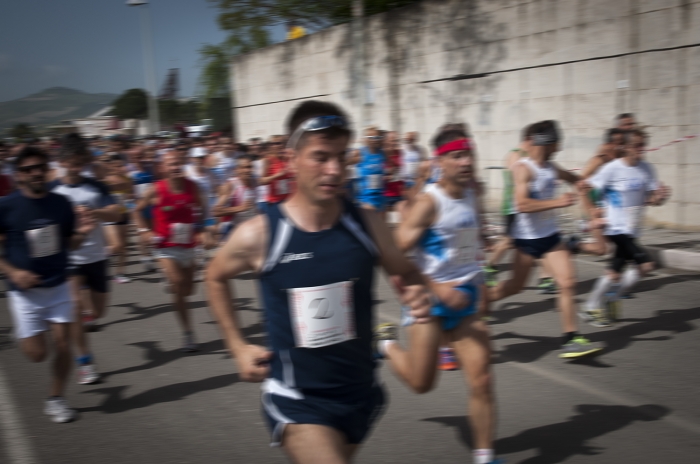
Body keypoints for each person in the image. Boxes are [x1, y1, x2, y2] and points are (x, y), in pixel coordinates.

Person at [206, 100, 432, 464]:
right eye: (321, 157)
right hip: (297, 399)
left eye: (342, 157)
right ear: (290, 157)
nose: (334, 170)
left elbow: (406, 271)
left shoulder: (367, 224)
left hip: (362, 392)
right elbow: (214, 276)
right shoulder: (261, 234)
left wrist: (417, 291)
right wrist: (236, 345)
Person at [374, 128, 501, 464]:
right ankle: (385, 344)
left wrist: (481, 274)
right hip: (429, 302)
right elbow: (393, 252)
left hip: (467, 298)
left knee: (483, 377)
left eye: (469, 154)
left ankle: (485, 457)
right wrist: (436, 287)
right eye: (457, 156)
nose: (466, 162)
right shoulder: (428, 204)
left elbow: (472, 238)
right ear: (440, 162)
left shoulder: (474, 191)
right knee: (421, 383)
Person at [487, 120, 603, 359]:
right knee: (515, 286)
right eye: (557, 142)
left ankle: (570, 339)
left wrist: (580, 182)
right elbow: (522, 204)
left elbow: (569, 176)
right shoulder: (523, 168)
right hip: (527, 240)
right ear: (546, 143)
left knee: (568, 282)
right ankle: (481, 302)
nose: (559, 146)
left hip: (550, 237)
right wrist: (558, 202)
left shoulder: (551, 167)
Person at [0, 146, 95, 423]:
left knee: (63, 345)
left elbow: (70, 242)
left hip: (59, 284)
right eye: (29, 169)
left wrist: (83, 233)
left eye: (40, 166)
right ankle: (25, 334)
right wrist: (12, 272)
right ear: (18, 175)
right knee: (37, 354)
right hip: (25, 292)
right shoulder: (6, 206)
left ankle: (56, 399)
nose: (36, 172)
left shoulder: (61, 203)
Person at [51, 136, 121, 384]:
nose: (77, 165)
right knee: (76, 309)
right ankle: (85, 362)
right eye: (72, 161)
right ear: (62, 161)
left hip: (96, 256)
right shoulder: (52, 191)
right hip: (69, 258)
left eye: (81, 161)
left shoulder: (96, 187)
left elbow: (116, 212)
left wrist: (94, 212)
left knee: (98, 311)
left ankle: (90, 319)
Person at [582, 129, 670, 326]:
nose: (642, 149)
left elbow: (652, 199)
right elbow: (585, 186)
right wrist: (594, 213)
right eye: (638, 145)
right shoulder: (612, 168)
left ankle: (600, 303)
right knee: (645, 265)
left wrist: (661, 197)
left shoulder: (647, 169)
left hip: (632, 229)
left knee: (616, 272)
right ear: (627, 147)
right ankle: (598, 304)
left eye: (643, 145)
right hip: (615, 227)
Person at [135, 151, 209, 352]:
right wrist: (144, 231)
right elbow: (136, 209)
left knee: (188, 290)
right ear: (163, 167)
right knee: (178, 285)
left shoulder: (192, 187)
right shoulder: (156, 189)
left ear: (183, 164)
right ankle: (188, 334)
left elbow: (203, 209)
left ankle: (172, 283)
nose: (174, 167)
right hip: (165, 247)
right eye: (170, 164)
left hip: (188, 245)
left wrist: (202, 229)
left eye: (178, 163)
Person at [103, 154, 134, 283]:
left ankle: (120, 273)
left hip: (123, 215)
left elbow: (131, 198)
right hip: (109, 216)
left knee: (123, 246)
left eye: (121, 165)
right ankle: (98, 259)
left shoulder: (127, 180)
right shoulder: (105, 180)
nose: (120, 168)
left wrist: (130, 210)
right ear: (110, 166)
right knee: (116, 245)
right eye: (116, 166)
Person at [212, 154, 258, 239]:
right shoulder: (231, 185)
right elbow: (216, 211)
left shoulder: (254, 182)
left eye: (250, 167)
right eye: (244, 167)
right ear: (236, 169)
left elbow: (253, 207)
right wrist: (240, 208)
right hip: (234, 230)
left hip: (251, 229)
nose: (247, 170)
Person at [130, 149, 157, 272]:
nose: (139, 159)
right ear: (131, 158)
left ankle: (151, 255)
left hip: (151, 204)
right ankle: (145, 257)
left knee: (152, 231)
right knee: (142, 232)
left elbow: (156, 184)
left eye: (140, 156)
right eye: (136, 157)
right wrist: (135, 202)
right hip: (139, 205)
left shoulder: (150, 168)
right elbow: (129, 192)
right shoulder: (130, 172)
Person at [355, 127, 387, 213]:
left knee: (381, 225)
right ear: (366, 139)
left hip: (380, 195)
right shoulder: (359, 153)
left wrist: (388, 173)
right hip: (365, 197)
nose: (375, 140)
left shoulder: (382, 153)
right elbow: (345, 163)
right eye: (372, 137)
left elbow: (391, 167)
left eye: (377, 137)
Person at [260, 135, 292, 206]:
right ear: (270, 146)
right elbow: (261, 181)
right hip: (275, 201)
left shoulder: (288, 158)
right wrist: (277, 175)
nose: (277, 146)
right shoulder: (268, 160)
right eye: (273, 144)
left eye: (279, 143)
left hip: (290, 200)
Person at [383, 131, 404, 214]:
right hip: (386, 194)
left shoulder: (400, 153)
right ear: (386, 141)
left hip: (400, 193)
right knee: (384, 222)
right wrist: (386, 176)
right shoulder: (381, 155)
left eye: (396, 140)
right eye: (392, 140)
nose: (395, 143)